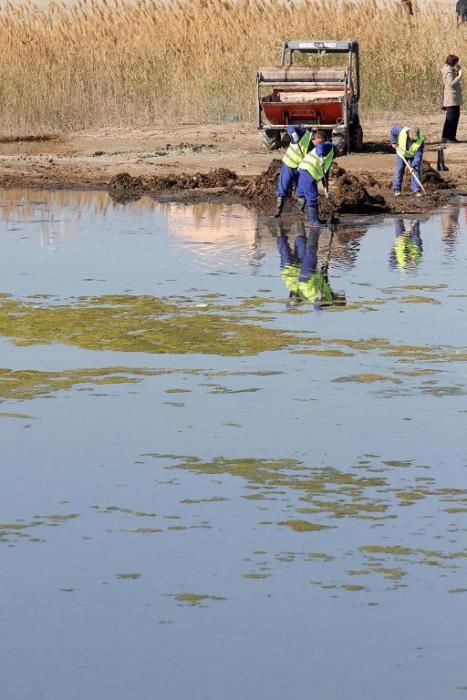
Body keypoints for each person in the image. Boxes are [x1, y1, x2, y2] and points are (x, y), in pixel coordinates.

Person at [275, 222, 345, 307]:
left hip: (289, 271)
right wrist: (324, 270)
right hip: (303, 270)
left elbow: (315, 305)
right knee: (301, 242)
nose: (340, 294)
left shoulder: (316, 299)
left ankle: (278, 223)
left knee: (284, 246)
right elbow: (324, 282)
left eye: (341, 297)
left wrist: (321, 302)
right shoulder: (329, 294)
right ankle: (300, 219)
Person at [295, 130, 335, 226]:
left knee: (301, 193)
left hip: (306, 171)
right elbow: (320, 146)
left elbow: (324, 174)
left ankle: (303, 218)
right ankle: (314, 222)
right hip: (307, 171)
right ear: (341, 148)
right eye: (343, 153)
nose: (342, 155)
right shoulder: (330, 146)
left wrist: (326, 189)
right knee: (312, 197)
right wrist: (321, 156)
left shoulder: (331, 156)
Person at [274, 126, 313, 217]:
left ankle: (300, 211)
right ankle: (278, 212)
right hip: (289, 164)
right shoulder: (302, 133)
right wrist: (293, 134)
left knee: (301, 189)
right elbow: (291, 127)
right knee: (283, 187)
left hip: (301, 168)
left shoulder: (314, 145)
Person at [389, 124, 425, 197]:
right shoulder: (401, 130)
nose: (415, 139)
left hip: (413, 155)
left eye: (416, 137)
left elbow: (418, 155)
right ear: (409, 133)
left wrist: (413, 166)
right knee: (399, 170)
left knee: (415, 170)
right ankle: (397, 189)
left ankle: (416, 190)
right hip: (401, 153)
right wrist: (393, 142)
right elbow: (392, 131)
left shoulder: (420, 140)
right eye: (413, 137)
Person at [442, 55, 463, 144]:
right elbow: (451, 84)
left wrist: (457, 71)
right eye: (456, 62)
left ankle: (451, 136)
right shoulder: (448, 71)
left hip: (453, 98)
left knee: (454, 118)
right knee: (451, 118)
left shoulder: (450, 69)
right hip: (451, 98)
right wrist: (460, 76)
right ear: (453, 62)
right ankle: (447, 137)